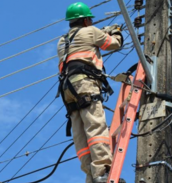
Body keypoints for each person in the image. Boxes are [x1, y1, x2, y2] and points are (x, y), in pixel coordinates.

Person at [56, 2, 124, 183]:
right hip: (85, 84)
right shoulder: (91, 31)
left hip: (67, 89)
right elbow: (114, 44)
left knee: (80, 133)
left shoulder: (62, 41)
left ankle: (91, 176)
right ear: (86, 20)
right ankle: (102, 171)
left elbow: (81, 45)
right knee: (95, 126)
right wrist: (115, 30)